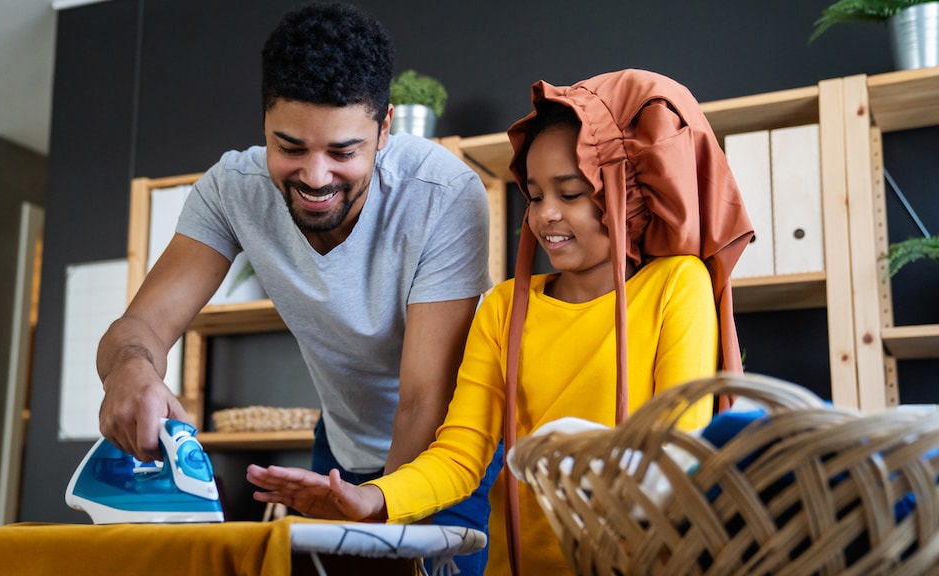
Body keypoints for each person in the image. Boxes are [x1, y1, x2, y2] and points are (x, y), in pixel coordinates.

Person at [245, 68, 755, 576]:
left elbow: (675, 456)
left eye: (571, 193)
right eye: (534, 195)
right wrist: (372, 498)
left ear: (626, 191)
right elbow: (461, 456)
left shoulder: (676, 286)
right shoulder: (505, 306)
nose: (546, 214)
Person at [95, 3, 500, 574]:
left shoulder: (441, 193)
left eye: (343, 151)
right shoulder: (232, 191)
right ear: (264, 123)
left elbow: (421, 401)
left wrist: (383, 512)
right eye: (290, 148)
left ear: (384, 129)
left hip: (444, 457)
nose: (315, 177)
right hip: (337, 448)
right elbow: (138, 328)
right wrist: (130, 371)